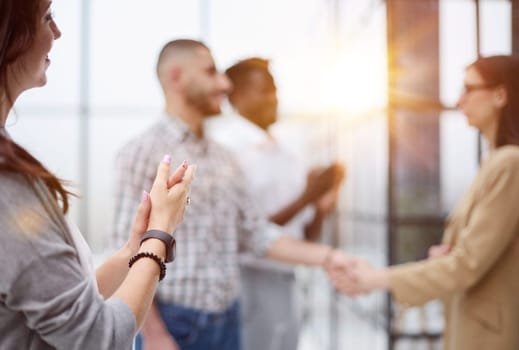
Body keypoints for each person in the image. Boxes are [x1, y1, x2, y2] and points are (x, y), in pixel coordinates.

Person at [112, 39, 350, 350]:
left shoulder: (223, 157)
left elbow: (255, 232)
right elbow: (125, 252)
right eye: (212, 73)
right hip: (176, 326)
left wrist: (330, 258)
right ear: (176, 77)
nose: (224, 83)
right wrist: (154, 334)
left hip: (228, 320)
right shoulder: (142, 152)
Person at [0, 1, 195, 349]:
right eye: (47, 17)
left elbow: (66, 302)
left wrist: (132, 249)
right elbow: (98, 336)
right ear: (9, 32)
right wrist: (160, 235)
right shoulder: (7, 185)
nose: (57, 32)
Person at [330, 55, 519, 350]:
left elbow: (468, 264)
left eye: (469, 89)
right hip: (472, 324)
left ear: (500, 95)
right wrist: (446, 255)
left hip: (490, 336)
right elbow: (474, 256)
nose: (460, 101)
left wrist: (376, 279)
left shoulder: (512, 164)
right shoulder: (495, 162)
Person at [206, 57, 345, 350]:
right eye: (265, 90)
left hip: (288, 279)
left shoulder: (288, 155)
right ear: (239, 96)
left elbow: (307, 235)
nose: (275, 99)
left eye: (276, 90)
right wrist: (307, 196)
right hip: (247, 281)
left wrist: (321, 202)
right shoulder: (226, 151)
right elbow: (244, 231)